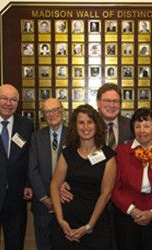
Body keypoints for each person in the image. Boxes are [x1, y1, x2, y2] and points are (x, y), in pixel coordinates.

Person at [50, 104, 117, 250]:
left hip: (96, 225)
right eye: (81, 122)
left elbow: (106, 194)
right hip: (67, 224)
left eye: (89, 122)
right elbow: (55, 186)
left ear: (96, 125)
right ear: (75, 126)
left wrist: (89, 226)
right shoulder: (67, 153)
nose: (85, 126)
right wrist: (60, 220)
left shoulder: (108, 155)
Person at [112, 108, 152, 250]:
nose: (142, 130)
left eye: (146, 126)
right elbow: (115, 188)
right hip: (127, 218)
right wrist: (132, 210)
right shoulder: (121, 152)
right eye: (137, 126)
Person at [0, 84, 34, 250]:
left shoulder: (26, 125)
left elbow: (29, 158)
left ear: (18, 103)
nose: (8, 103)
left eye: (13, 100)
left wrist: (28, 184)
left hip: (16, 199)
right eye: (4, 98)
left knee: (15, 245)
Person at [28, 98, 67, 250]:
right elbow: (32, 169)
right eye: (47, 111)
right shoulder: (36, 137)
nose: (51, 114)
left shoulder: (73, 135)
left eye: (55, 110)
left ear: (62, 111)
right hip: (42, 206)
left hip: (66, 202)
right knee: (43, 244)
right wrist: (45, 198)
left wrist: (59, 197)